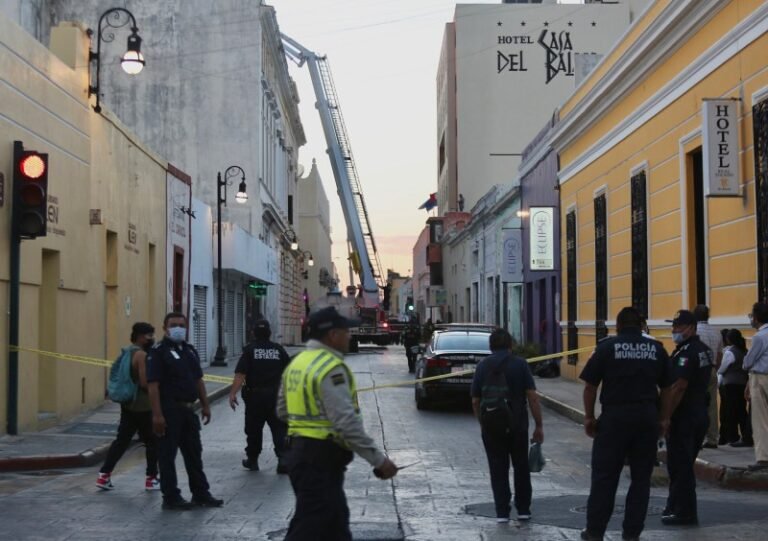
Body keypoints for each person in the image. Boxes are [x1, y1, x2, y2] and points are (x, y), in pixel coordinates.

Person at [277, 306, 398, 540]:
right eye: (346, 331)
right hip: (319, 458)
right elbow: (346, 423)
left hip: (297, 454)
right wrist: (379, 460)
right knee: (313, 525)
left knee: (331, 524)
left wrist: (307, 424)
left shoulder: (297, 363)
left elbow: (282, 410)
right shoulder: (330, 367)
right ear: (332, 335)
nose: (350, 336)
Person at [579, 307, 672, 541]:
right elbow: (668, 388)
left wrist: (589, 417)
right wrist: (663, 418)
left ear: (618, 326)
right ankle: (631, 534)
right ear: (642, 325)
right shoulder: (656, 349)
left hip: (615, 419)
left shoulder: (607, 348)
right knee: (641, 480)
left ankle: (595, 531)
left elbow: (590, 386)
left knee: (604, 478)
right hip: (646, 418)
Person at [147, 312, 223, 510]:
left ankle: (200, 493)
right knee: (167, 455)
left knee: (194, 454)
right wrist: (157, 415)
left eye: (181, 324)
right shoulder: (158, 352)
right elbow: (153, 385)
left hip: (189, 410)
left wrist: (205, 405)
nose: (178, 328)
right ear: (165, 327)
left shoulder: (189, 351)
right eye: (173, 325)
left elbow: (198, 379)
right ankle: (171, 496)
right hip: (169, 409)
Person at [470, 328, 544, 524]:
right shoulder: (520, 365)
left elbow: (476, 400)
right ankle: (523, 510)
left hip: (492, 426)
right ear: (510, 345)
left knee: (497, 468)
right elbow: (532, 398)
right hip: (518, 425)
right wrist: (539, 425)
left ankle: (502, 512)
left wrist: (482, 423)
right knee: (521, 467)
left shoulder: (482, 367)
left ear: (490, 346)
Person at [659, 309, 714, 526]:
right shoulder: (704, 350)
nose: (675, 331)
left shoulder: (687, 353)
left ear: (691, 327)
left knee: (680, 466)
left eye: (679, 327)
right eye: (674, 326)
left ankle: (684, 512)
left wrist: (666, 416)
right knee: (683, 464)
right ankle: (674, 505)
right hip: (700, 412)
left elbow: (678, 387)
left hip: (686, 416)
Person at [97, 322, 160, 491]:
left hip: (128, 404)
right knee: (152, 442)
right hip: (143, 405)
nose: (152, 338)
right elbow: (145, 382)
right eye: (149, 335)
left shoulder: (127, 351)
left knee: (122, 441)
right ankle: (151, 478)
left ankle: (104, 475)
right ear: (140, 336)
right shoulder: (140, 355)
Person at [229, 319, 291, 472]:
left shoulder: (250, 350)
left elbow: (240, 374)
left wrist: (232, 394)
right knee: (279, 429)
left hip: (255, 398)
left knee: (253, 429)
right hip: (276, 397)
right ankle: (283, 459)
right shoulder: (278, 350)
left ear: (254, 333)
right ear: (269, 333)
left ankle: (253, 460)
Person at [693, 305, 723, 448]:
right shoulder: (716, 332)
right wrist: (715, 368)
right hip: (712, 369)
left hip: (698, 370)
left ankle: (697, 437)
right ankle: (712, 438)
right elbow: (719, 354)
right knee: (712, 405)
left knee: (695, 403)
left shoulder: (694, 331)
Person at [744, 302, 768, 470]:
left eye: (752, 315)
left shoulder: (759, 337)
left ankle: (763, 457)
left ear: (758, 317)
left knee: (760, 419)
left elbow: (748, 362)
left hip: (760, 378)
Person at [718, 328, 752, 447]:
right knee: (741, 410)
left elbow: (722, 368)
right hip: (742, 383)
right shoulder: (744, 351)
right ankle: (746, 435)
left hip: (730, 384)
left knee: (730, 411)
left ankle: (732, 437)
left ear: (729, 339)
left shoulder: (729, 352)